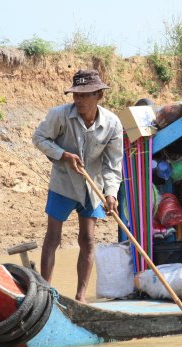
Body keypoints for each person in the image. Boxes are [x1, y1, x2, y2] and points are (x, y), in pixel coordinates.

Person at [32, 69, 123, 303]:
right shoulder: (59, 116)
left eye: (85, 95)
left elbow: (113, 164)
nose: (79, 100)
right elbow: (39, 138)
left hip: (92, 190)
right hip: (63, 183)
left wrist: (111, 194)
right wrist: (63, 155)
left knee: (88, 240)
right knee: (52, 237)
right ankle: (45, 294)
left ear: (99, 96)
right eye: (76, 95)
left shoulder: (112, 124)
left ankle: (81, 298)